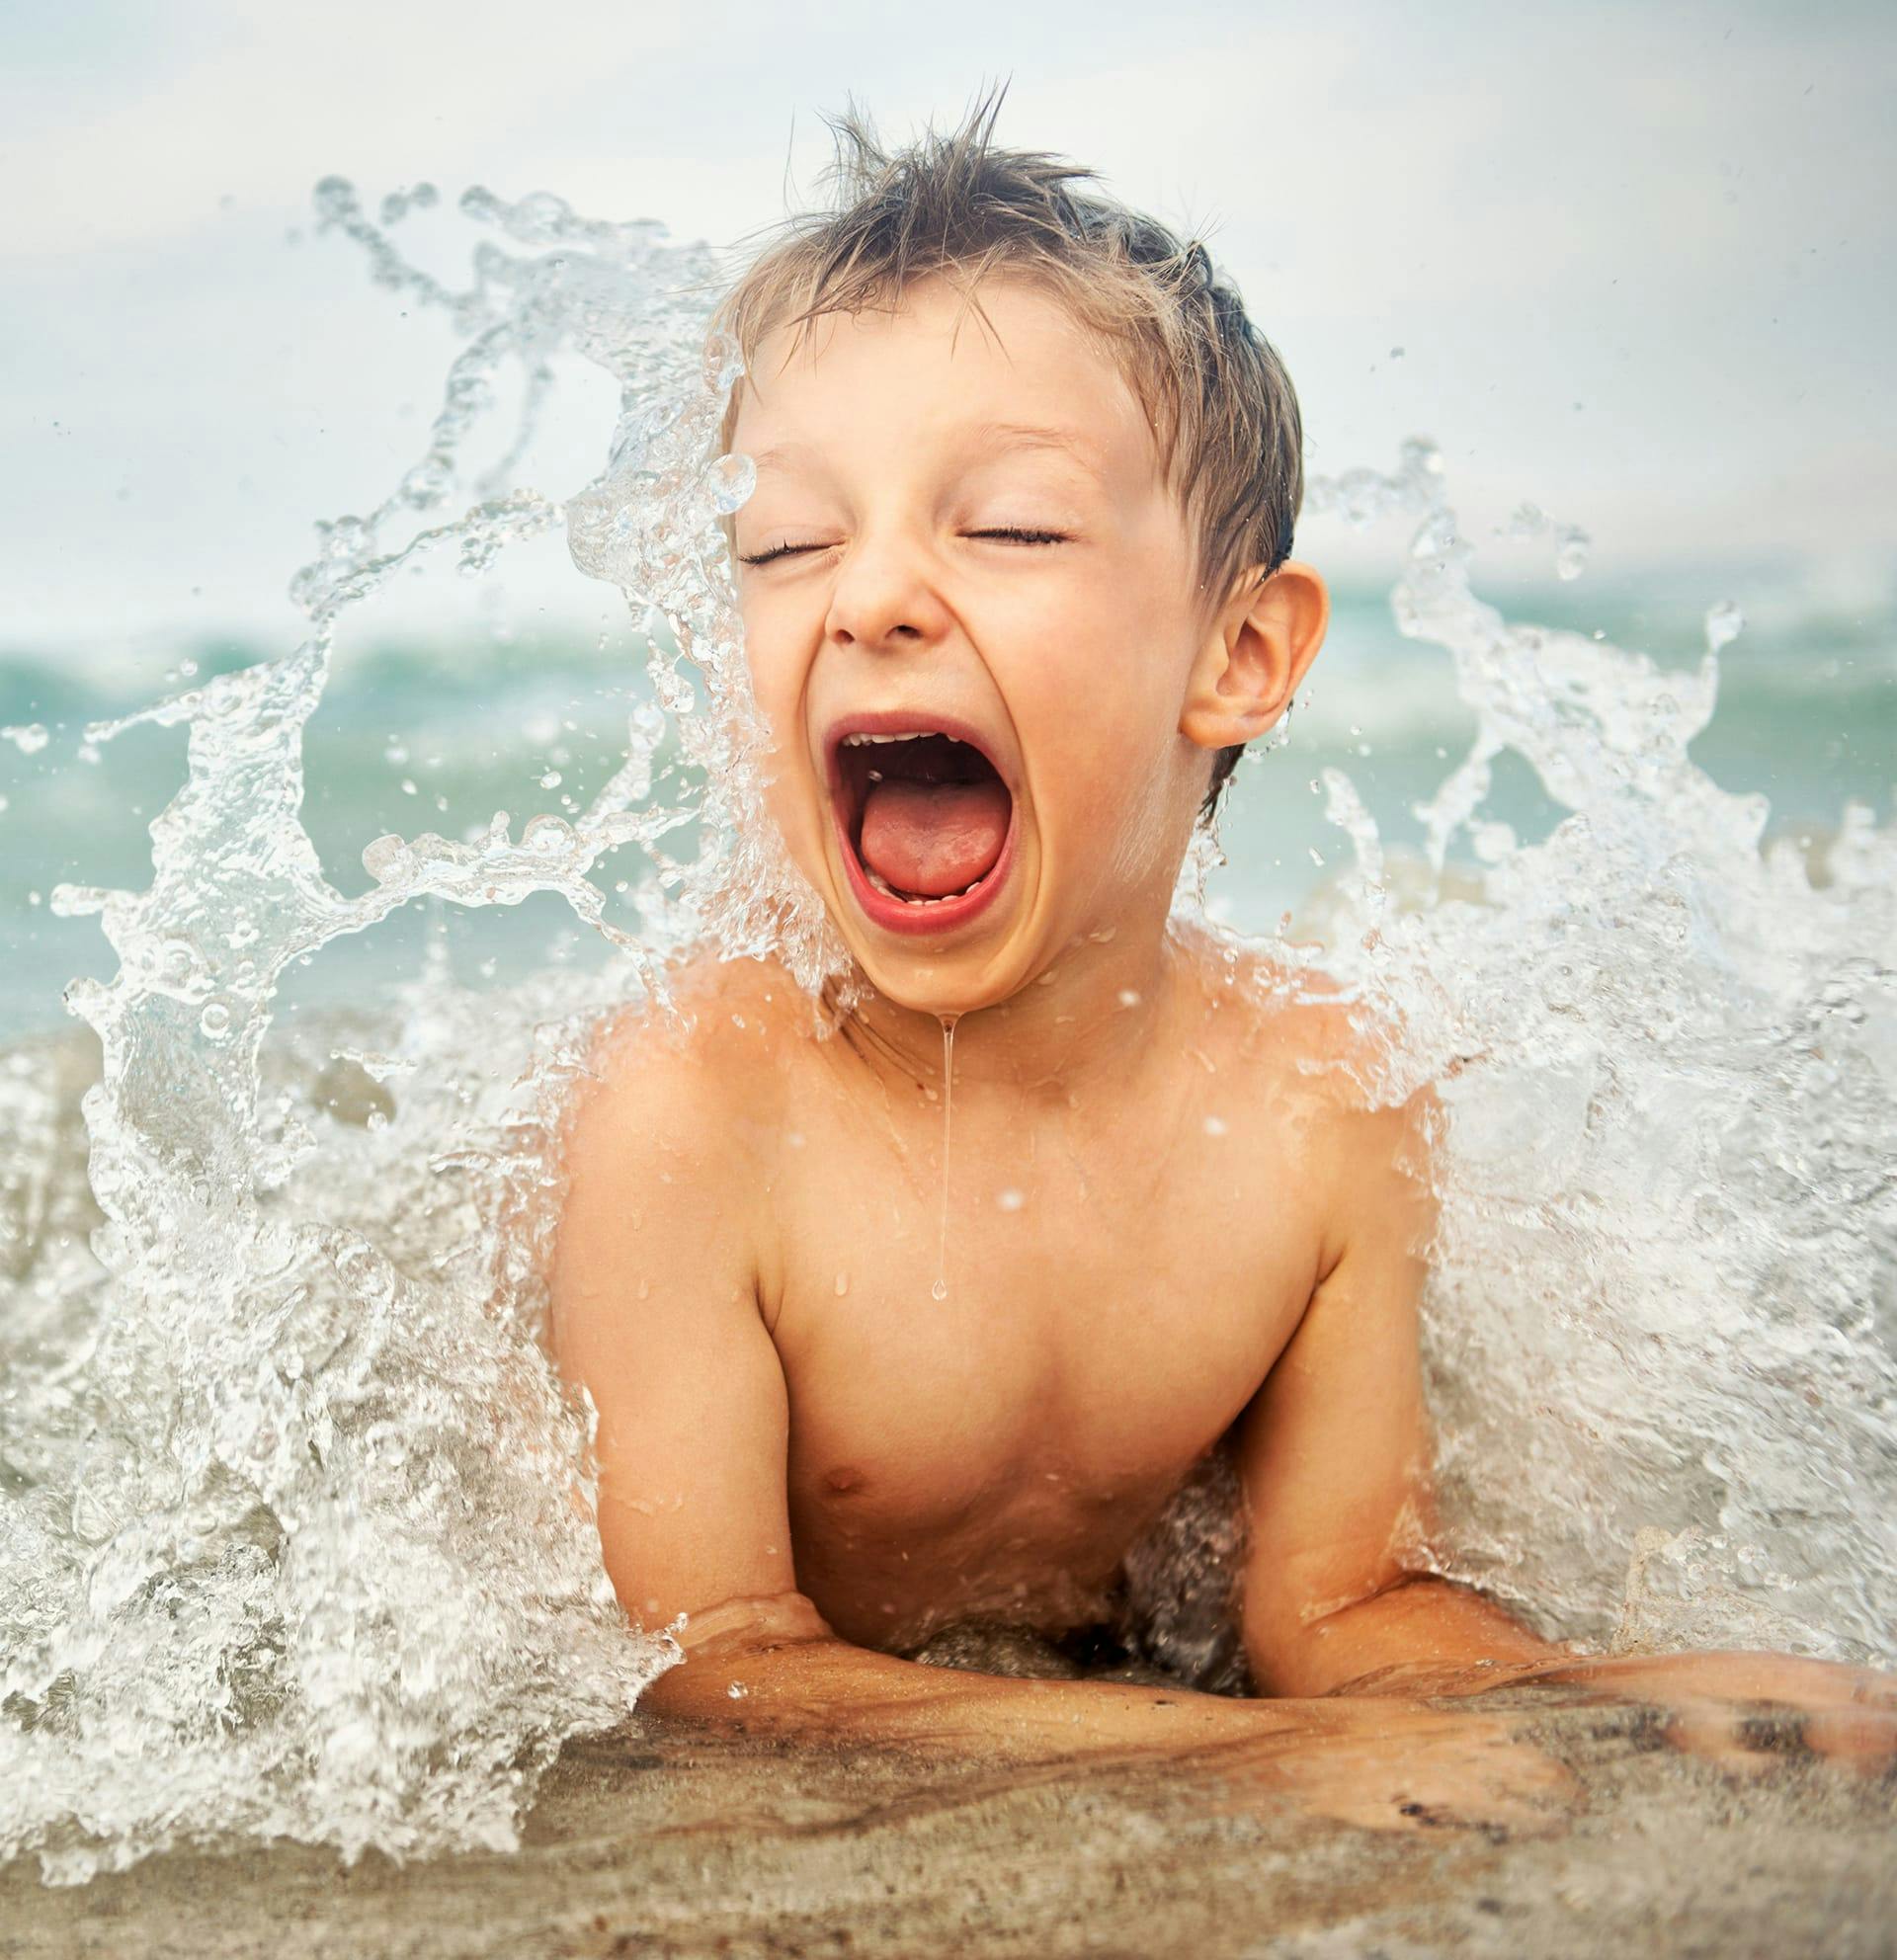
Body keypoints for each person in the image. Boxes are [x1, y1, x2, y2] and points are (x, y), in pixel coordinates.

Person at [548, 96, 1892, 1830]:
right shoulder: (695, 1111)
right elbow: (713, 1666)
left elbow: (1336, 1611)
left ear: (1242, 653)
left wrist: (1611, 1698)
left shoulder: (1322, 1108)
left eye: (1009, 528)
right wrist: (1247, 1754)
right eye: (785, 543)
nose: (869, 594)